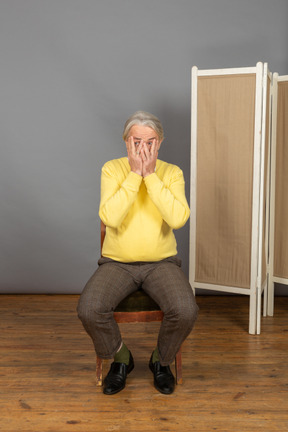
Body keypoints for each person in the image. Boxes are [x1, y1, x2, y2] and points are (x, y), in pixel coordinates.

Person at [77, 111, 198, 395]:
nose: (143, 149)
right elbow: (111, 216)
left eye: (150, 141)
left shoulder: (172, 172)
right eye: (136, 141)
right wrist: (134, 175)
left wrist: (151, 177)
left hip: (161, 263)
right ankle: (121, 358)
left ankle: (161, 360)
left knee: (186, 310)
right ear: (126, 142)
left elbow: (178, 218)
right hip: (117, 264)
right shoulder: (112, 169)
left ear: (160, 142)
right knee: (89, 308)